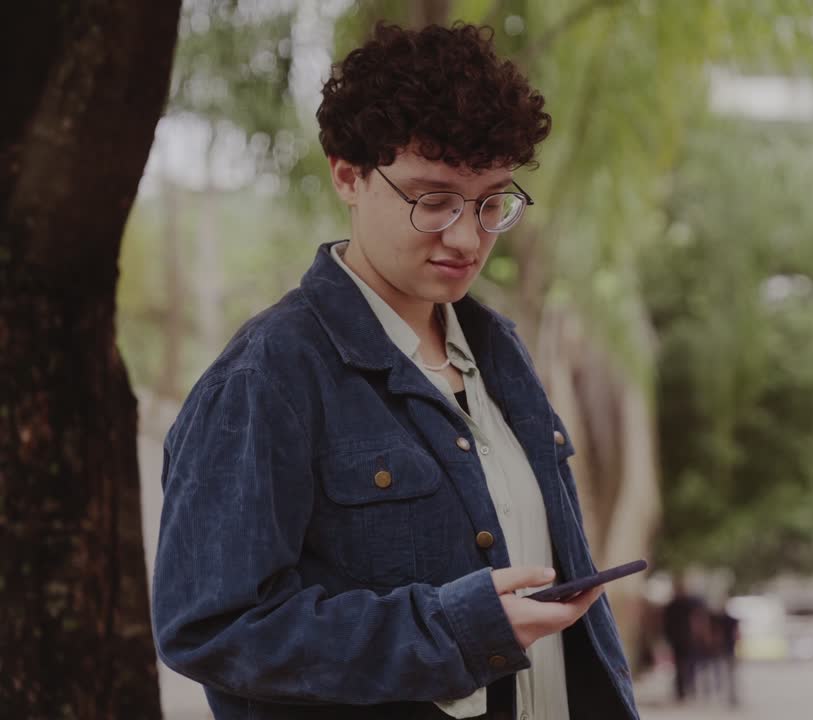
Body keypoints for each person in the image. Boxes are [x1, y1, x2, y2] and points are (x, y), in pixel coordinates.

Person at [151, 22, 638, 720]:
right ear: (347, 174)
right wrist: (452, 629)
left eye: (492, 200)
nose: (468, 237)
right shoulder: (269, 376)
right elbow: (211, 629)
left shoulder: (499, 351)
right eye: (432, 200)